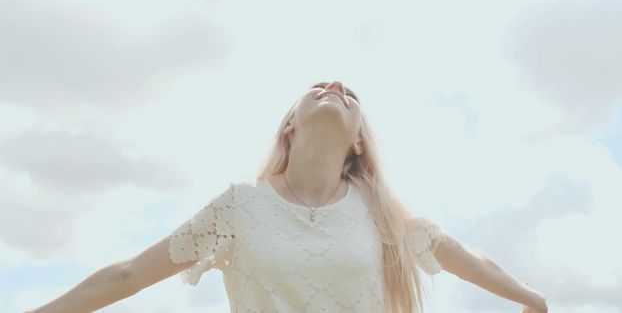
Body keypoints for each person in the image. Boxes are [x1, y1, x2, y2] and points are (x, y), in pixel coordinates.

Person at [26, 81, 548, 313]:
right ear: (290, 125)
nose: (337, 86)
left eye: (351, 95)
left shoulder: (383, 214)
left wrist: (532, 298)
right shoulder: (238, 207)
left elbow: (467, 259)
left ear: (358, 140)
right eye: (319, 86)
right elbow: (128, 275)